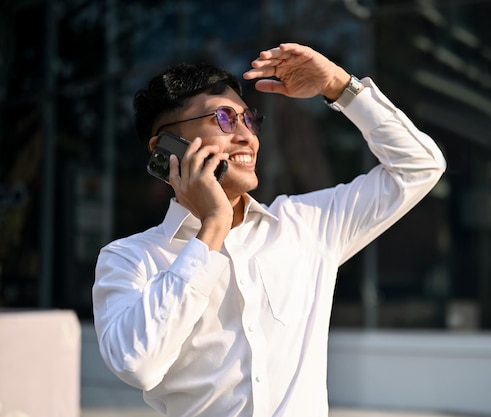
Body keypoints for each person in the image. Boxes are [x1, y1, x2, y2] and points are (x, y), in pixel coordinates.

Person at [92, 42, 446, 417]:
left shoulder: (307, 225)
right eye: (224, 119)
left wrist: (341, 87)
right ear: (166, 147)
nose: (246, 136)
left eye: (249, 120)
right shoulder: (129, 259)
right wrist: (212, 228)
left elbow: (419, 168)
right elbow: (138, 365)